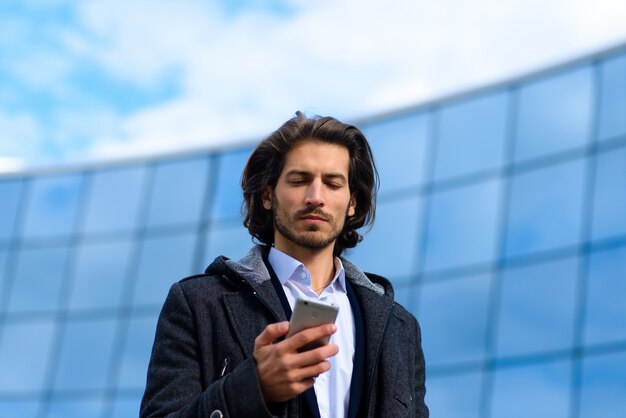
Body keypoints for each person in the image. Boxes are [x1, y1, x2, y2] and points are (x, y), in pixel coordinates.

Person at [140, 112, 428, 418]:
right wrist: (252, 389)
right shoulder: (199, 305)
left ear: (352, 202)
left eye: (332, 183)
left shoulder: (401, 328)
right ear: (267, 195)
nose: (315, 197)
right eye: (299, 180)